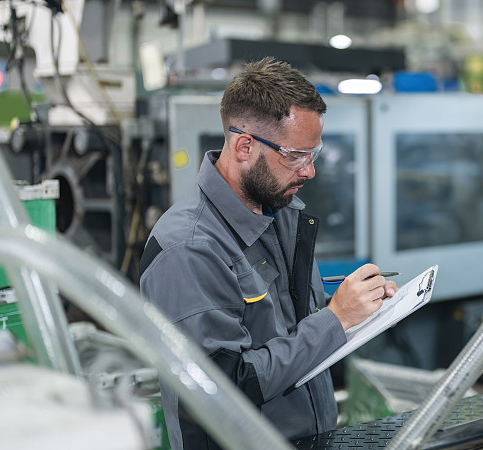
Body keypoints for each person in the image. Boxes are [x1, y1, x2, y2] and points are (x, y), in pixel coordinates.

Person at [139, 57, 397, 448]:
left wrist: (357, 311)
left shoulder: (277, 211)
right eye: (296, 155)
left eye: (314, 153)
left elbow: (282, 327)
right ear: (244, 146)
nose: (309, 171)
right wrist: (335, 319)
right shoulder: (189, 248)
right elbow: (223, 387)